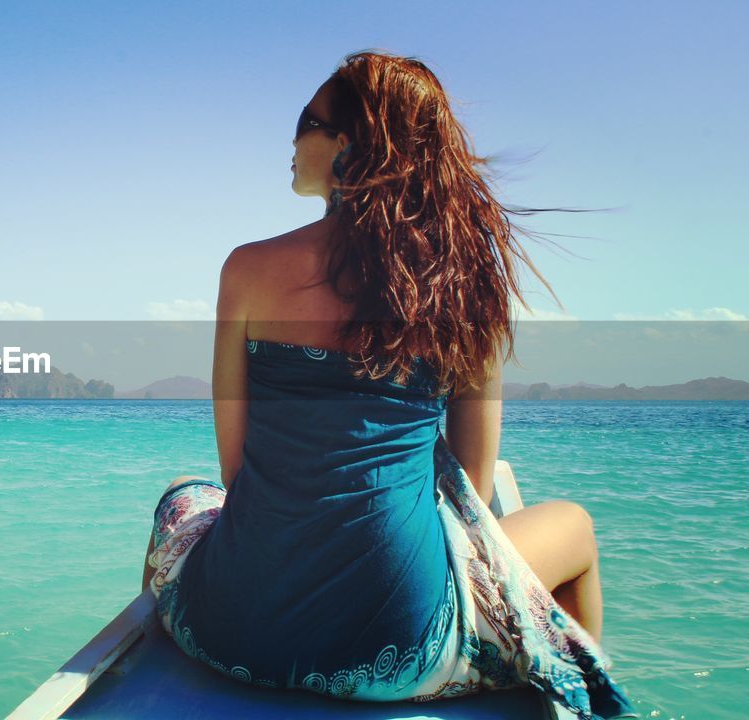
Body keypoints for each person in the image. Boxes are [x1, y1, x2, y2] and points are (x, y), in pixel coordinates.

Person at [140, 50, 636, 719]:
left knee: (183, 496)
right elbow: (471, 492)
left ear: (348, 145)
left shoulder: (247, 270)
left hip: (232, 635)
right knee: (573, 527)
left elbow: (237, 473)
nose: (290, 140)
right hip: (400, 650)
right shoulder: (465, 281)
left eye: (304, 121)